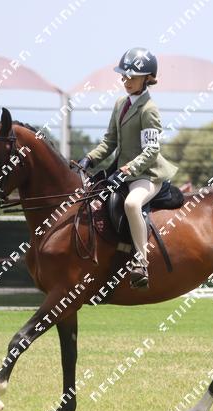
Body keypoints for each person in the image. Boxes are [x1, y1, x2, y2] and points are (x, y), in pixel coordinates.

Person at [78, 47, 178, 289]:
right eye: (124, 76)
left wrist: (126, 171)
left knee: (132, 204)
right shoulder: (120, 103)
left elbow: (151, 151)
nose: (126, 80)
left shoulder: (149, 109)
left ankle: (141, 263)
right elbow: (110, 141)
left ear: (147, 78)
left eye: (132, 76)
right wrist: (89, 159)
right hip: (121, 173)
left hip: (147, 175)